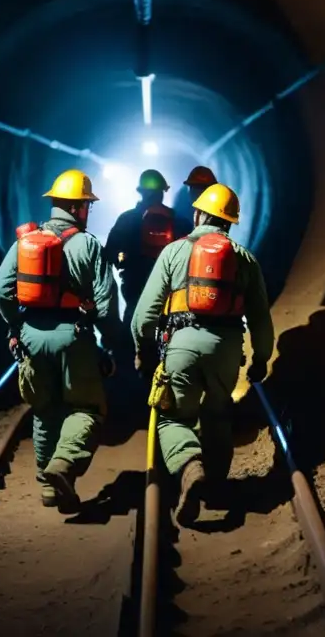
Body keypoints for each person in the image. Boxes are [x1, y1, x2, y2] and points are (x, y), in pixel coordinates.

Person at [130, 183, 273, 527]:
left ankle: (190, 467)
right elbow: (260, 319)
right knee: (218, 415)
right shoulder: (244, 258)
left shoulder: (173, 251)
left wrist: (142, 350)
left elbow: (143, 316)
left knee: (173, 418)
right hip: (225, 350)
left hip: (180, 346)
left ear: (198, 214)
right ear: (230, 222)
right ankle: (216, 489)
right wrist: (260, 359)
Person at [0, 168, 122, 513]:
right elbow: (107, 303)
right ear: (80, 208)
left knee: (45, 410)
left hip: (32, 337)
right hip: (73, 337)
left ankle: (48, 490)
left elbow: (0, 289)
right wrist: (111, 343)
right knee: (87, 408)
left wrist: (17, 327)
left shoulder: (26, 242)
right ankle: (63, 466)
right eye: (86, 207)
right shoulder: (88, 246)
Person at [105, 169, 191, 326]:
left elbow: (110, 253)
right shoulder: (180, 221)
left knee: (131, 329)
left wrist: (123, 261)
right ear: (162, 193)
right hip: (169, 294)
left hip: (135, 288)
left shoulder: (127, 219)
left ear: (141, 192)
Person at [173, 166, 217, 230]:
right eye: (195, 189)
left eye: (201, 189)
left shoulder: (218, 221)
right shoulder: (182, 221)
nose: (198, 194)